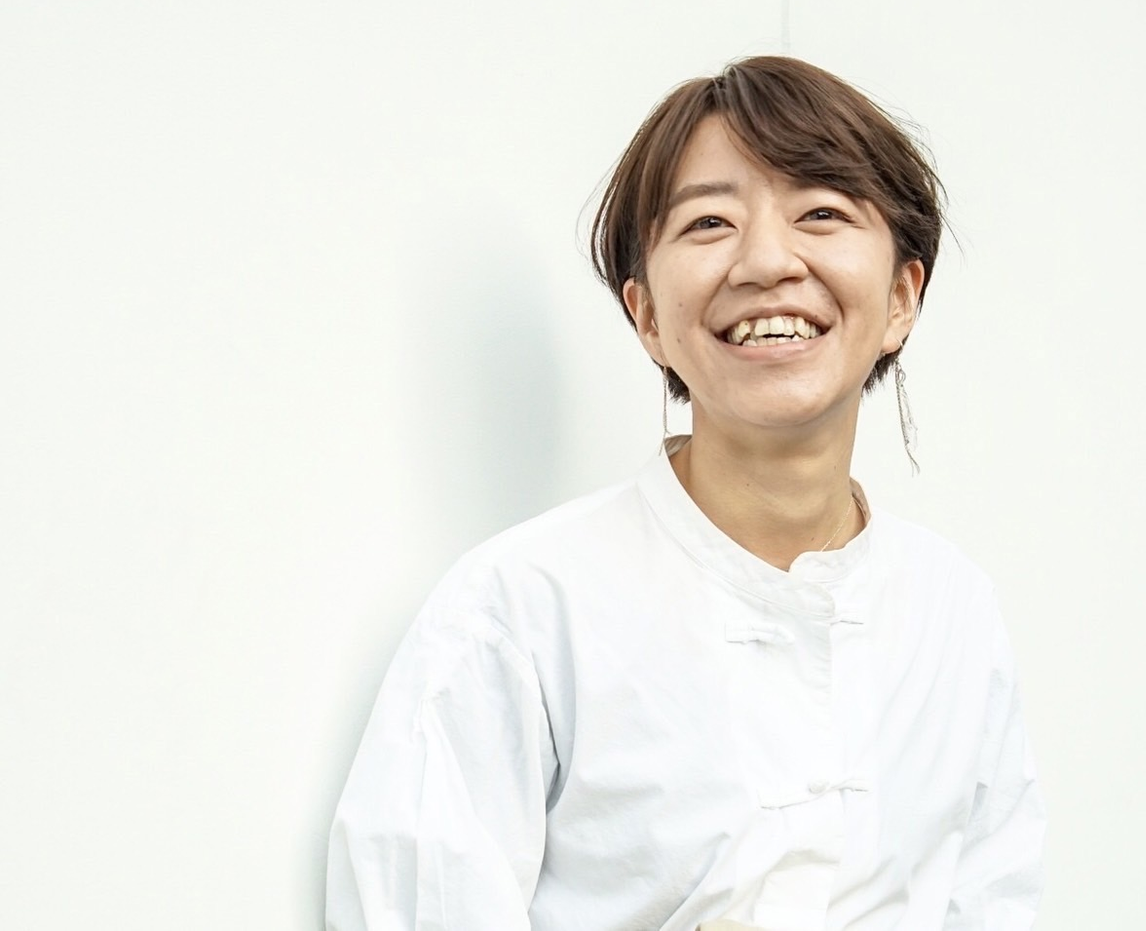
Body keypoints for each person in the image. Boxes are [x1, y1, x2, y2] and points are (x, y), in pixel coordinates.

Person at [326, 56, 1045, 930]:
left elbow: (998, 898)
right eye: (710, 222)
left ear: (902, 296)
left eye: (822, 212)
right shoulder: (518, 611)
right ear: (647, 317)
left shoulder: (952, 609)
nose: (768, 260)